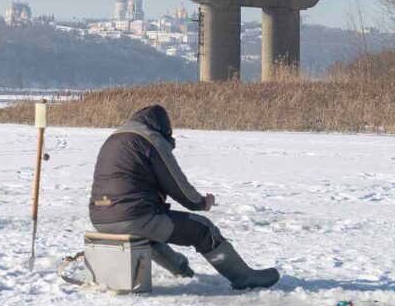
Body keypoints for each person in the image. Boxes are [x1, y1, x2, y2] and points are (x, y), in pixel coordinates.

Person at [89, 105, 279, 290]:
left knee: (146, 236)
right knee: (204, 230)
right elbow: (177, 184)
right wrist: (201, 202)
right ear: (163, 127)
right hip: (133, 216)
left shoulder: (116, 137)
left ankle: (182, 270)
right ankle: (244, 278)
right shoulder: (149, 139)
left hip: (100, 217)